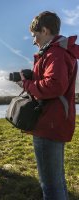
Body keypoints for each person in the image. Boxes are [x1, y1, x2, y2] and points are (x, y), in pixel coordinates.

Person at [18, 11, 79, 200]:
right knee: (57, 181)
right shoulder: (57, 51)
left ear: (44, 30)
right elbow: (53, 82)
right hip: (54, 122)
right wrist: (34, 78)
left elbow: (54, 85)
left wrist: (26, 84)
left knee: (51, 187)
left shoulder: (55, 52)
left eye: (35, 35)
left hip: (49, 124)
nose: (34, 41)